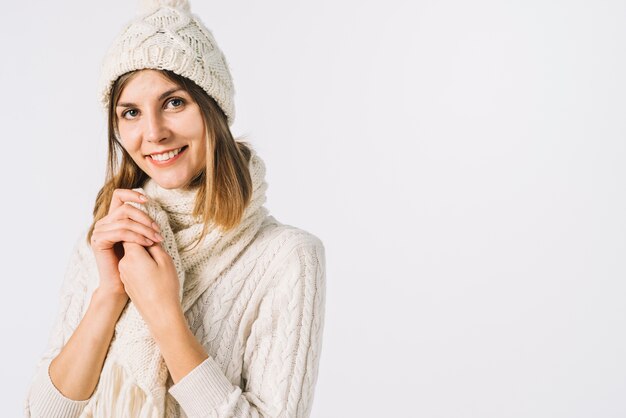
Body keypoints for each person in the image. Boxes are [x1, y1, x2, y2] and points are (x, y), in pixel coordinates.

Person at [23, 0, 326, 417]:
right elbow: (43, 412)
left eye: (174, 103)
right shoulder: (110, 238)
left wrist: (164, 314)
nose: (154, 133)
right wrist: (110, 294)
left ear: (213, 108)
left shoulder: (287, 257)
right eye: (130, 112)